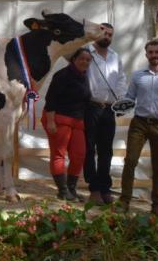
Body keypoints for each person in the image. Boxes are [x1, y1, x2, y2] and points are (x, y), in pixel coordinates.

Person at [119, 40, 158, 216]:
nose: (154, 55)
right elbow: (130, 97)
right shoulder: (138, 76)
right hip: (139, 123)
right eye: (151, 52)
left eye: (157, 52)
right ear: (146, 55)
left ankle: (157, 204)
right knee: (130, 161)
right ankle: (124, 200)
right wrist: (120, 105)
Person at [84, 23, 127, 205]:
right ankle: (93, 189)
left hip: (109, 109)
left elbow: (121, 80)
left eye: (110, 34)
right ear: (97, 33)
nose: (107, 37)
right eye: (104, 33)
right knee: (88, 149)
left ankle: (105, 188)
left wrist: (120, 103)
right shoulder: (85, 52)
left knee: (106, 151)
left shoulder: (115, 56)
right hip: (90, 107)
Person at [42, 47, 92, 201]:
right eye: (81, 58)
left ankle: (72, 189)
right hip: (59, 118)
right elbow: (50, 99)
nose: (85, 62)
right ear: (74, 59)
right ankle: (63, 191)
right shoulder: (62, 75)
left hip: (77, 120)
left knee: (79, 155)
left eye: (88, 60)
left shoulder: (84, 76)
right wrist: (50, 121)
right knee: (59, 155)